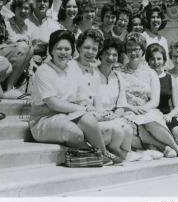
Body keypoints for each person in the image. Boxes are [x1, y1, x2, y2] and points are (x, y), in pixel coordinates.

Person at [28, 29, 122, 164]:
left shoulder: (70, 70)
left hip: (64, 115)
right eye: (59, 49)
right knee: (74, 133)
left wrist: (87, 106)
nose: (63, 53)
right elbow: (53, 103)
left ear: (72, 51)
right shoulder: (44, 70)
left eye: (67, 49)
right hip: (43, 119)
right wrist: (81, 109)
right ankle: (97, 156)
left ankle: (103, 152)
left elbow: (79, 99)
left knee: (89, 120)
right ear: (51, 50)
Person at [120, 33, 178, 159]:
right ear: (125, 52)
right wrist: (131, 109)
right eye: (130, 49)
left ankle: (177, 149)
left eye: (136, 49)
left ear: (142, 51)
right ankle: (163, 147)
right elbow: (120, 99)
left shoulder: (150, 73)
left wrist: (141, 108)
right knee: (128, 126)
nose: (133, 53)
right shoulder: (119, 72)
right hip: (127, 110)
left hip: (146, 109)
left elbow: (155, 100)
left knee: (149, 120)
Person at [75, 30, 133, 162]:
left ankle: (122, 153)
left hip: (105, 114)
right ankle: (114, 154)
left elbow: (117, 105)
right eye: (107, 54)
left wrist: (111, 115)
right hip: (87, 113)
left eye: (114, 55)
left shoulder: (116, 77)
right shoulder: (88, 71)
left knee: (127, 129)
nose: (111, 58)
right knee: (117, 130)